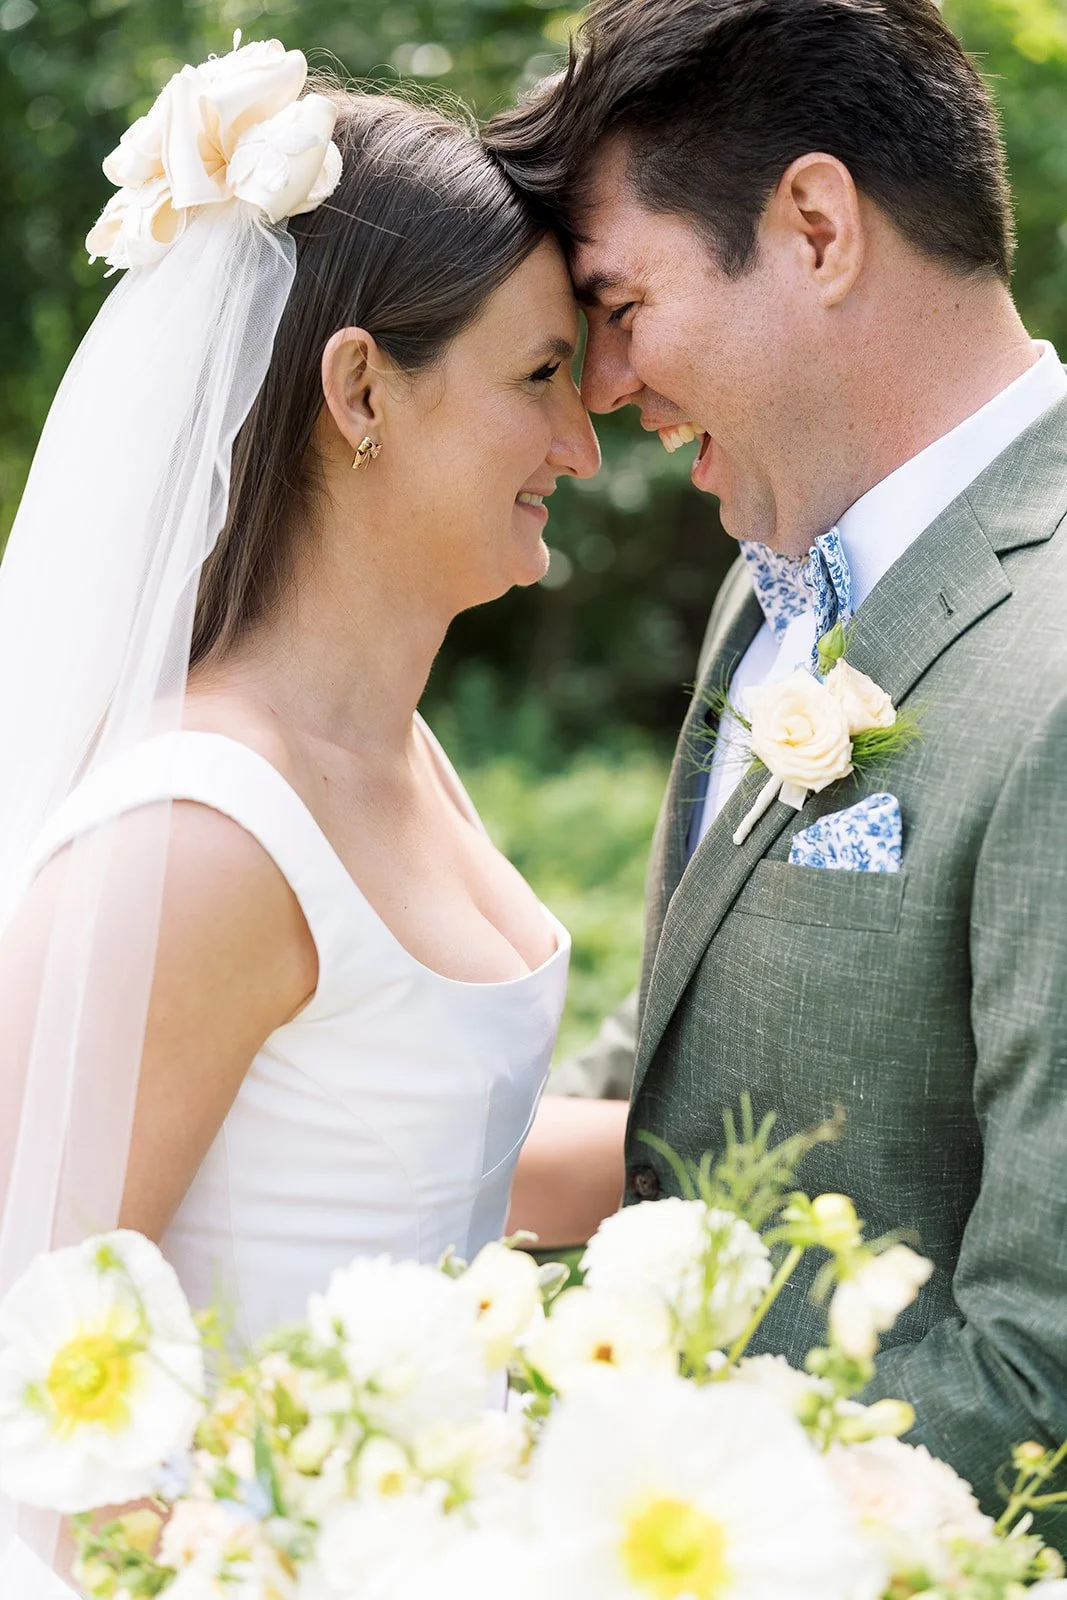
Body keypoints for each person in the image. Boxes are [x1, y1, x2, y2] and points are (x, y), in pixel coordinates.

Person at [486, 0, 1067, 1546]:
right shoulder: (774, 578)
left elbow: (1042, 1386)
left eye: (620, 303)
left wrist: (603, 1529)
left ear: (813, 228)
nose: (600, 388)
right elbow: (670, 1096)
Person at [0, 44, 613, 1403]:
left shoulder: (396, 748)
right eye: (537, 377)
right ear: (359, 393)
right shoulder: (192, 840)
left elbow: (392, 1145)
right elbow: (36, 1374)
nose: (582, 444)